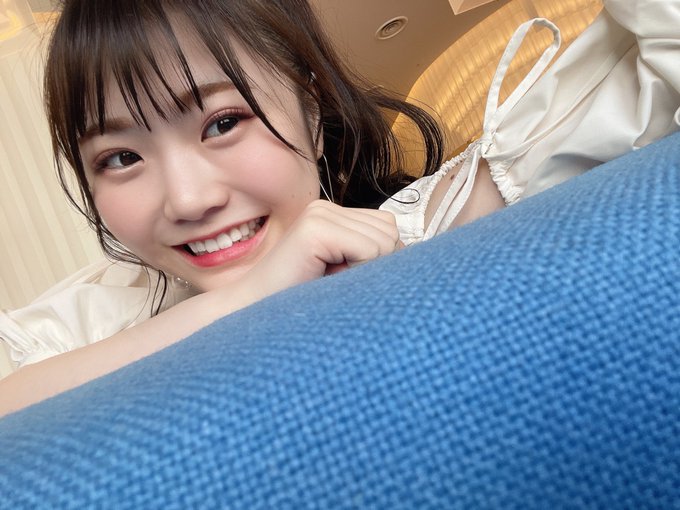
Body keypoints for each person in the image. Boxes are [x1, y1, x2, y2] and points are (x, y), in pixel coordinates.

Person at [1, 0, 678, 417]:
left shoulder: (443, 221)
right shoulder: (104, 314)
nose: (188, 199)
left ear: (313, 109)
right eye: (121, 158)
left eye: (223, 123)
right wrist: (247, 300)